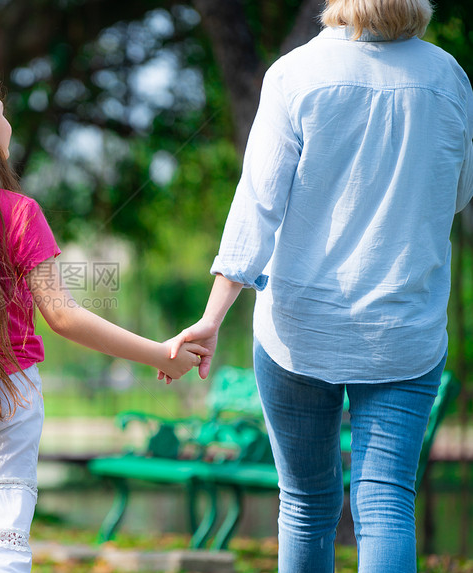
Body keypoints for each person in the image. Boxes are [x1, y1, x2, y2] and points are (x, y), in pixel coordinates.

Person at [167, 1, 473, 571]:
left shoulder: (294, 75)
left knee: (307, 504)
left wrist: (211, 319)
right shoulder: (448, 77)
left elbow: (256, 209)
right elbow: (455, 193)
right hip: (405, 330)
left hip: (299, 330)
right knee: (386, 504)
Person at [0, 67, 206, 573]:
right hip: (8, 391)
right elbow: (63, 315)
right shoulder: (19, 213)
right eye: (0, 112)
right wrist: (160, 352)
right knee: (2, 544)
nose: (7, 123)